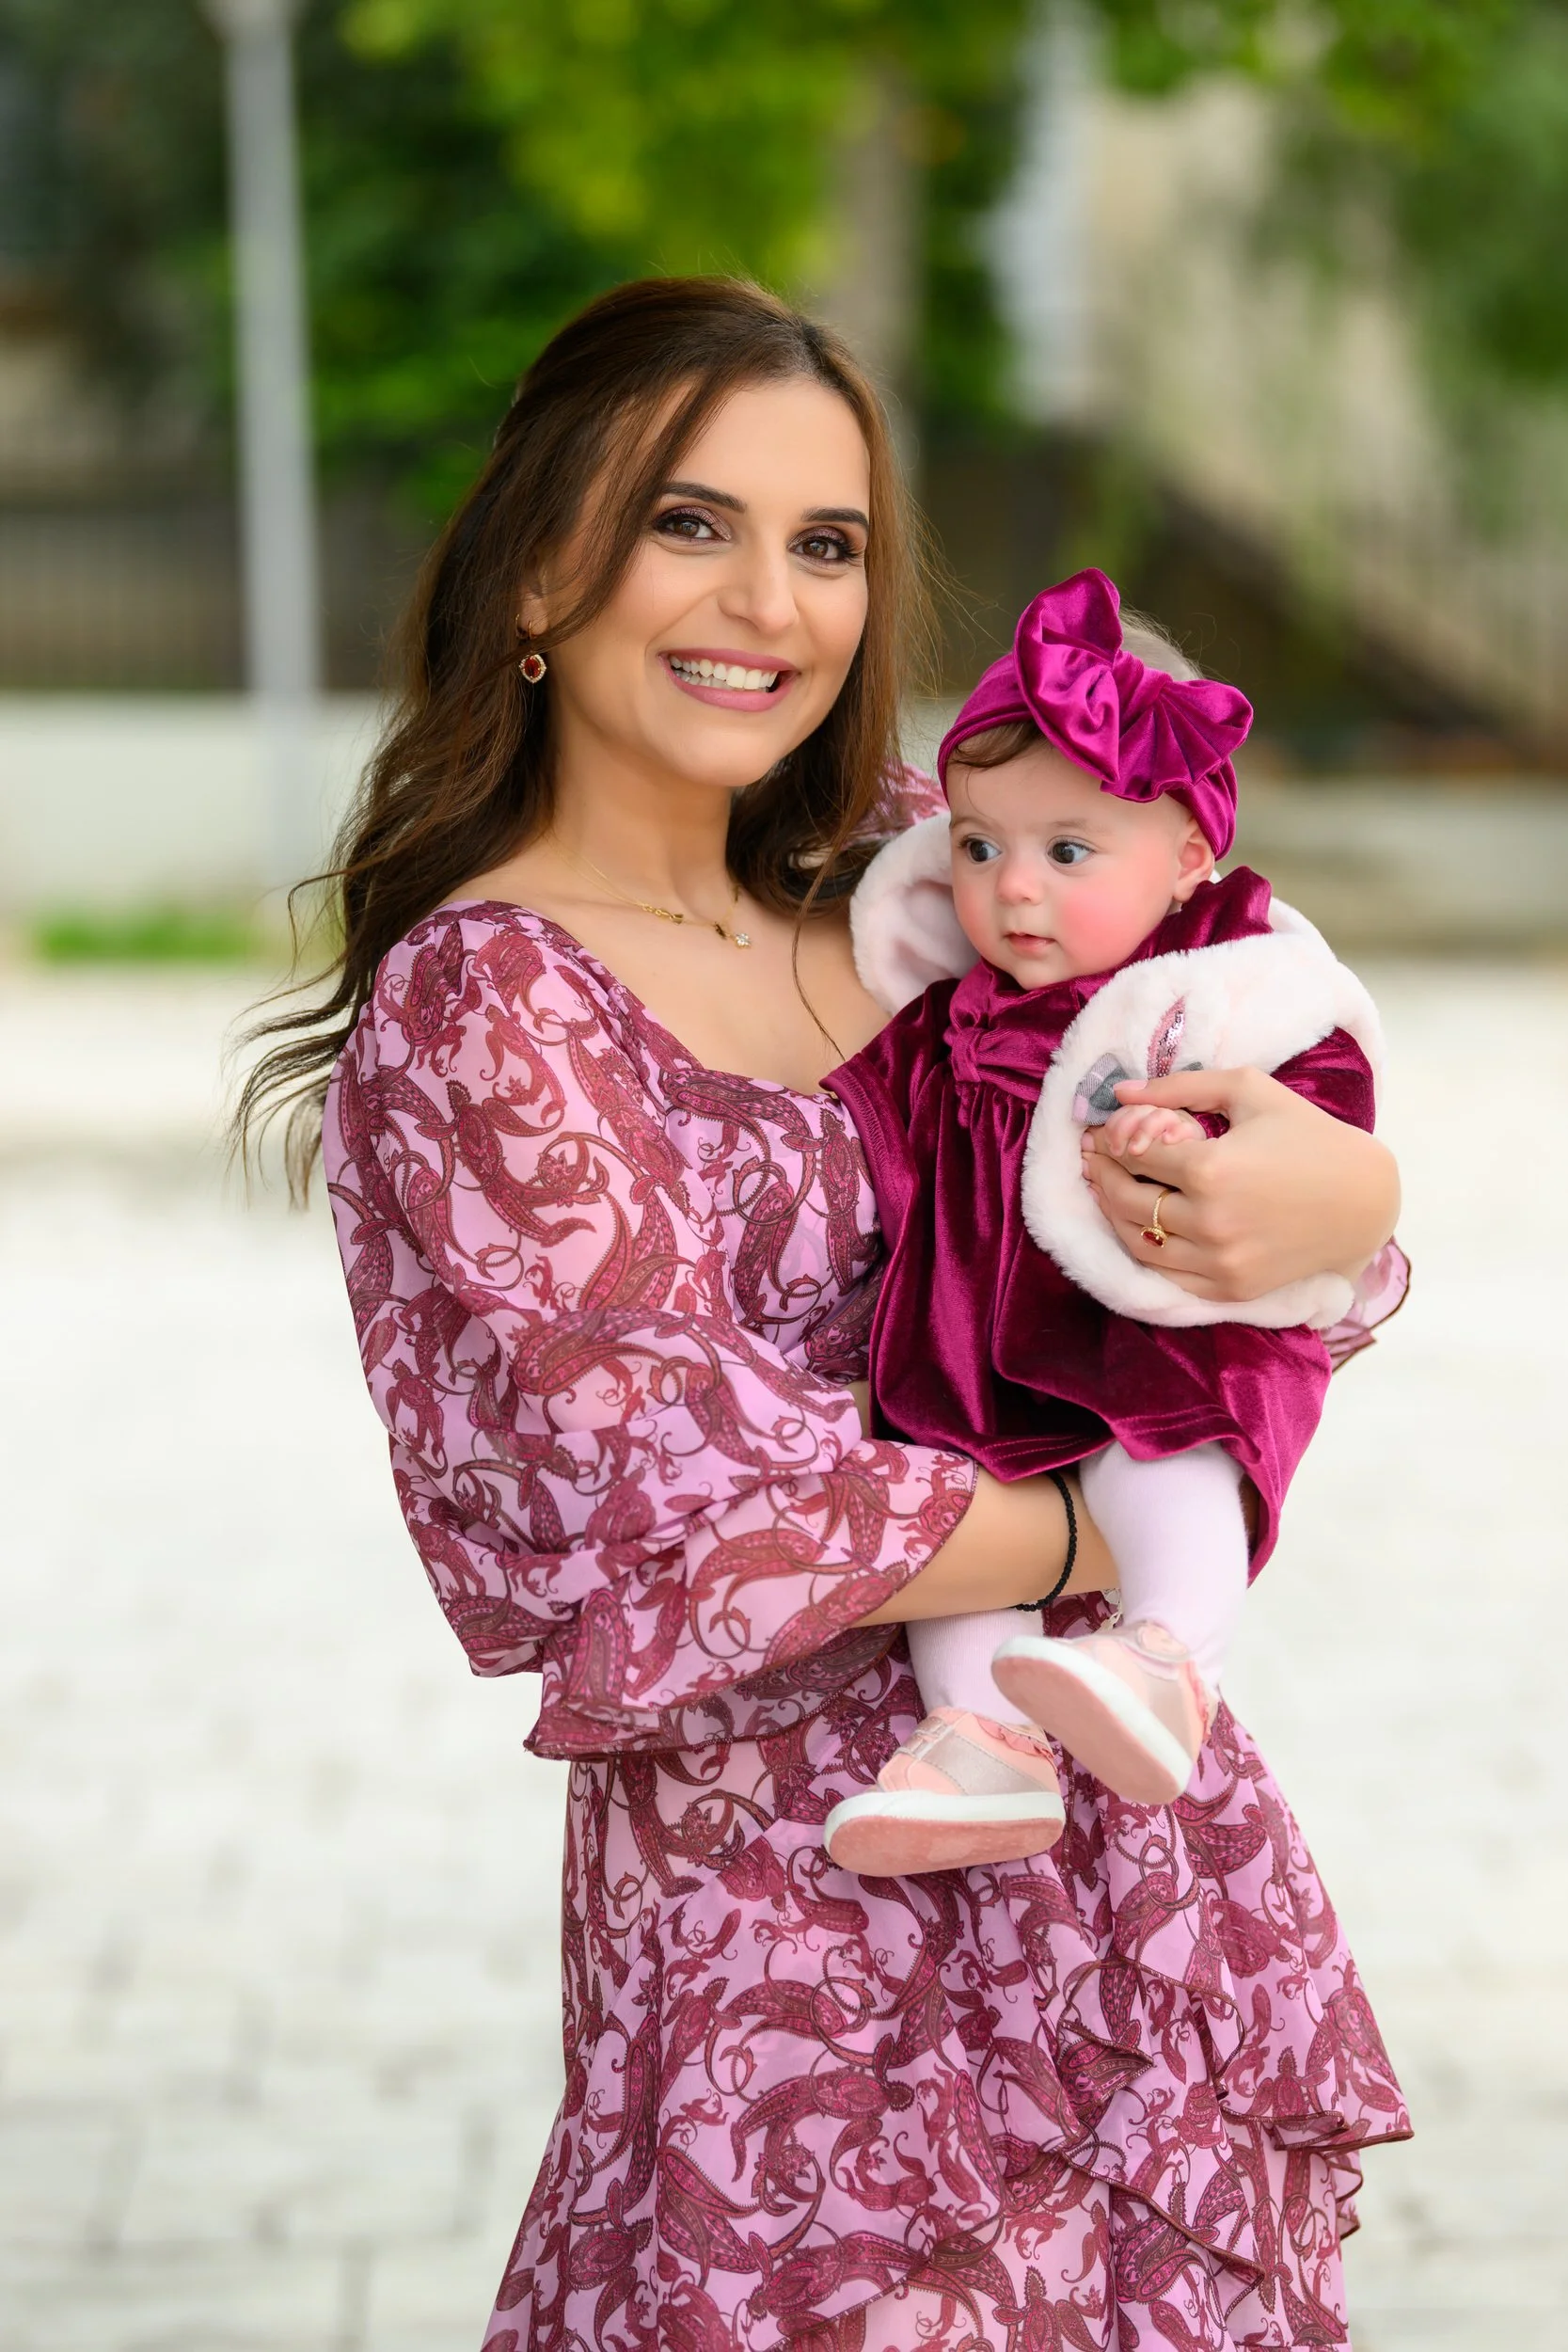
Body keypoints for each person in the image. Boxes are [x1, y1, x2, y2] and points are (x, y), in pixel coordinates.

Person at [241, 278, 1409, 2351]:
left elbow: (1205, 1138)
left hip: (1123, 1856)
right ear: (535, 566)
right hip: (795, 1933)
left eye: (826, 541)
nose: (765, 601)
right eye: (688, 522)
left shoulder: (915, 880)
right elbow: (698, 1498)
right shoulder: (486, 996)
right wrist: (1101, 1525)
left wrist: (1343, 1188)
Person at [820, 570, 1386, 1877]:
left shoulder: (1217, 992)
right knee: (961, 1520)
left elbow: (1318, 1111)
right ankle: (980, 1744)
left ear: (1186, 858)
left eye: (1067, 852)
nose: (1012, 889)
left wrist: (1192, 1142)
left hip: (1167, 1329)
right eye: (978, 847)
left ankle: (1168, 1655)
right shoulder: (950, 1011)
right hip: (979, 1343)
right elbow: (864, 1118)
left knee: (1166, 1457)